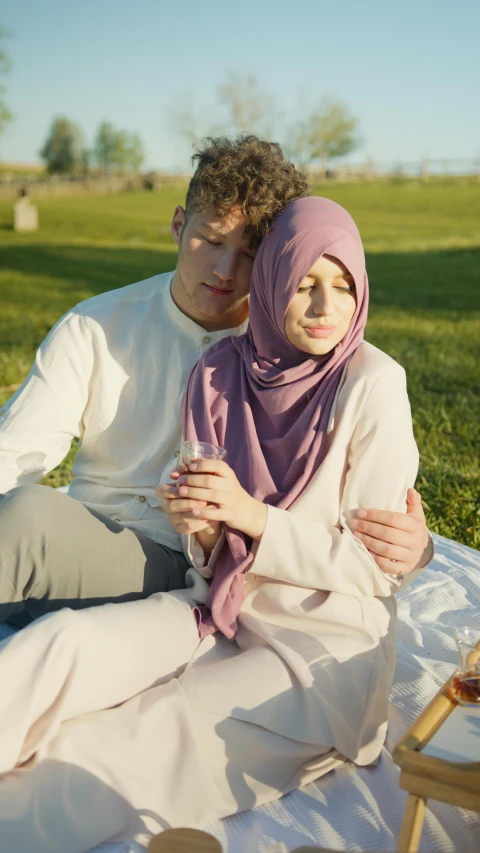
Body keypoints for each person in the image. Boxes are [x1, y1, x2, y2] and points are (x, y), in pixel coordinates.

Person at [0, 197, 421, 852]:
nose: (323, 306)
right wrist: (196, 524)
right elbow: (207, 551)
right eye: (306, 281)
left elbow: (372, 567)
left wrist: (248, 515)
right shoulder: (222, 371)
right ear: (276, 277)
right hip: (215, 608)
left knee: (151, 733)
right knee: (63, 646)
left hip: (320, 639)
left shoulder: (374, 384)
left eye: (343, 285)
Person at [0, 135, 431, 628]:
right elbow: (11, 454)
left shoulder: (290, 350)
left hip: (196, 563)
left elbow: (358, 463)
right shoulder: (94, 326)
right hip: (84, 539)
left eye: (249, 253)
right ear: (179, 226)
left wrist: (418, 546)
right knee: (24, 520)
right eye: (212, 240)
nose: (225, 271)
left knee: (26, 522)